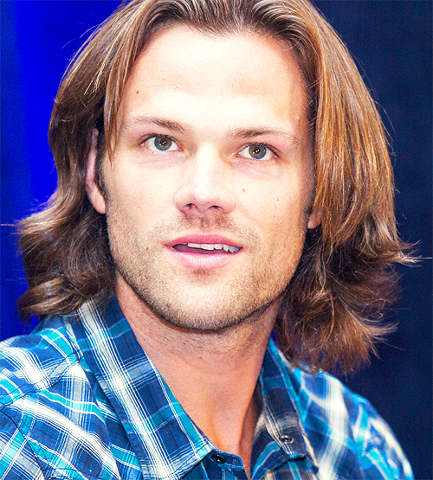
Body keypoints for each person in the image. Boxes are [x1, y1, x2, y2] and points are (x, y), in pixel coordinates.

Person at [0, 0, 415, 478]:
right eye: (161, 142)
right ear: (96, 172)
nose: (203, 193)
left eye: (256, 150)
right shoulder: (19, 441)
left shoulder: (357, 449)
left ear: (322, 189)